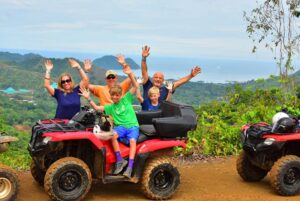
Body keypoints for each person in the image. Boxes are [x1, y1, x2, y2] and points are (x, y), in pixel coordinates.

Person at [80, 54, 139, 178]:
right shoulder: (108, 102)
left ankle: (130, 167)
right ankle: (118, 160)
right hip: (116, 124)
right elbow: (96, 106)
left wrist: (127, 69)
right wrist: (88, 97)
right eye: (109, 77)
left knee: (133, 142)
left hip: (132, 125)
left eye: (117, 95)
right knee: (109, 135)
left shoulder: (125, 98)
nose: (115, 97)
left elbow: (135, 85)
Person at [140, 45, 201, 110]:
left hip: (159, 117)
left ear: (163, 80)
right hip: (146, 115)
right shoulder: (147, 85)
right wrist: (144, 58)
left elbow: (179, 83)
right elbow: (144, 71)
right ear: (152, 78)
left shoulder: (166, 89)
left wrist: (191, 75)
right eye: (156, 77)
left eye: (160, 78)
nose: (158, 79)